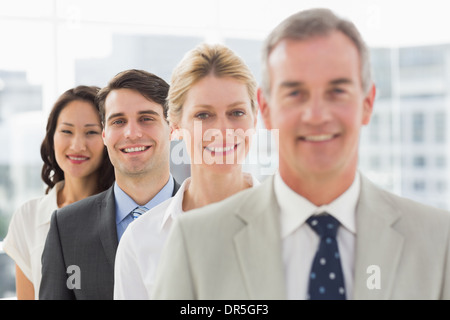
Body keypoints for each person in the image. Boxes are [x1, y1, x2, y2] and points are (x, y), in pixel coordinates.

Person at [151, 8, 450, 300]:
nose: (316, 115)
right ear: (265, 109)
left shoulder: (437, 240)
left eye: (337, 91)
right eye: (295, 92)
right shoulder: (194, 242)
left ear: (368, 103)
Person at [113, 43, 260, 299]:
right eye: (204, 115)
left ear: (254, 119)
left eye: (237, 112)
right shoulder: (139, 241)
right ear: (176, 125)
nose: (223, 130)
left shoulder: (292, 226)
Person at [39, 69, 180, 300]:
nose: (132, 133)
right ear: (105, 134)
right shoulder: (65, 228)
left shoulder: (208, 218)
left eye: (146, 118)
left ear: (173, 127)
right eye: (119, 121)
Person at [2, 86, 115, 300]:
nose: (77, 145)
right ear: (52, 137)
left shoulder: (125, 212)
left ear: (107, 138)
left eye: (91, 132)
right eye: (66, 131)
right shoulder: (28, 217)